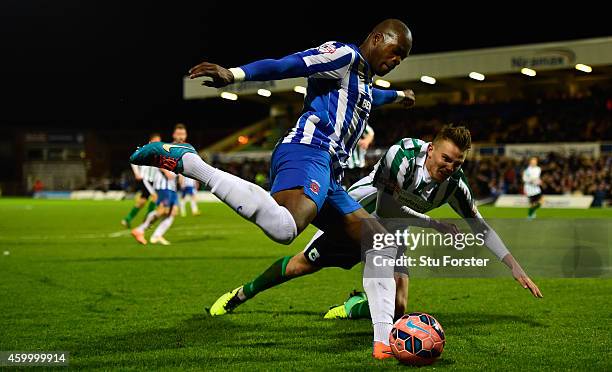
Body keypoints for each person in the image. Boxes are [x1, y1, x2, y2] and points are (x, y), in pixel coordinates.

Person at [130, 19, 416, 359]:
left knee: (382, 244)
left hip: (329, 173)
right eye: (396, 51)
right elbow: (289, 64)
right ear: (376, 38)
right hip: (307, 150)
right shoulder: (344, 56)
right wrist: (234, 74)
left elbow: (373, 97)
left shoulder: (365, 82)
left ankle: (383, 345)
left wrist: (400, 96)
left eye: (403, 58)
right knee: (284, 228)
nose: (397, 60)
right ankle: (191, 164)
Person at [207, 125, 542, 326]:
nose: (450, 167)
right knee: (298, 267)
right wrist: (434, 224)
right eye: (446, 159)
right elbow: (386, 207)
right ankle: (239, 295)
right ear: (431, 150)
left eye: (458, 163)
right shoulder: (402, 155)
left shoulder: (455, 186)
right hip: (356, 217)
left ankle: (355, 305)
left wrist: (513, 265)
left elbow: (480, 227)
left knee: (399, 307)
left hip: (392, 233)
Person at [122, 133, 161, 228]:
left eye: (159, 141)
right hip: (145, 179)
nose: (158, 143)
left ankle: (127, 219)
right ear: (151, 141)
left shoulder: (159, 152)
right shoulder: (145, 150)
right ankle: (147, 222)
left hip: (153, 181)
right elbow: (133, 159)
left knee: (142, 202)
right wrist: (137, 173)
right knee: (155, 198)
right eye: (156, 141)